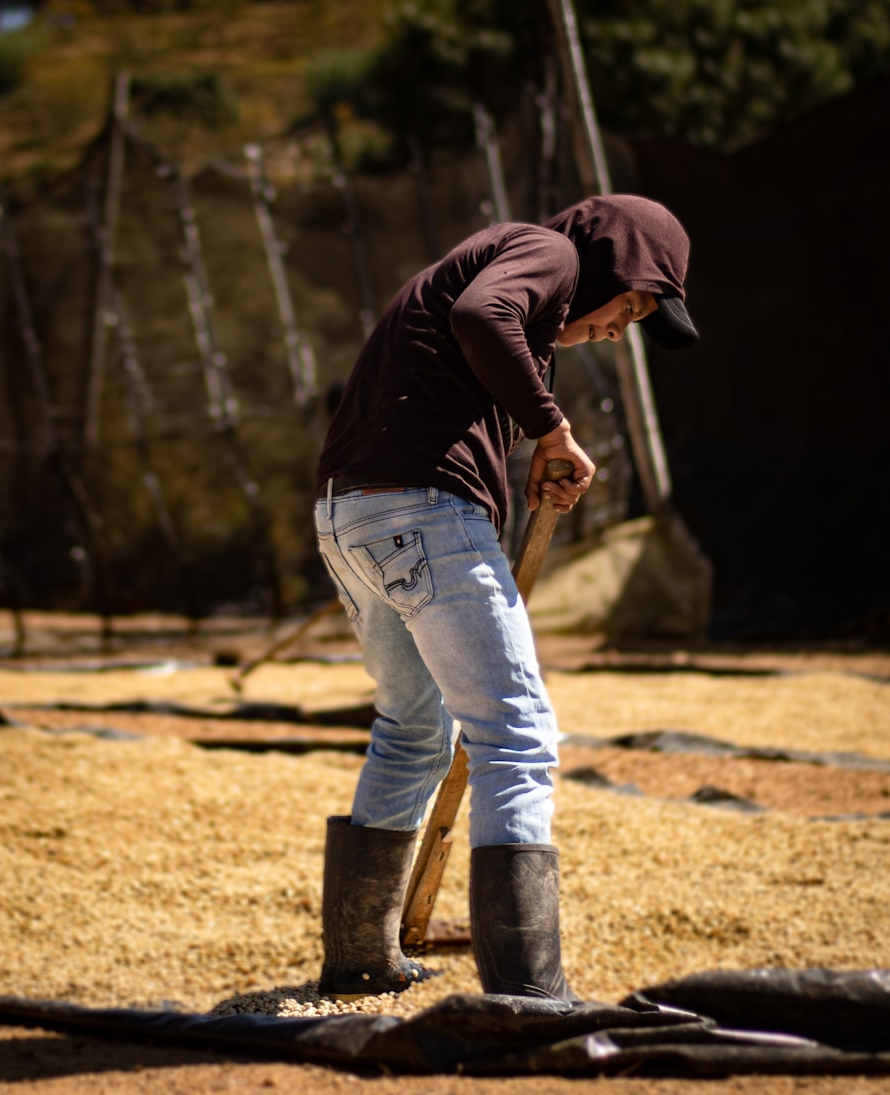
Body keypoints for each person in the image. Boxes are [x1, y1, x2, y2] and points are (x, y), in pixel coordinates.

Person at [313, 194, 699, 1002]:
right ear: (614, 263)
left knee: (414, 728)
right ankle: (527, 991)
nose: (615, 329)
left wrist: (524, 450)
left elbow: (461, 359)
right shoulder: (548, 254)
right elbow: (481, 318)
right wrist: (553, 429)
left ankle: (359, 961)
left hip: (351, 515)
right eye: (629, 307)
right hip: (422, 513)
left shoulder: (505, 260)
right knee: (517, 738)